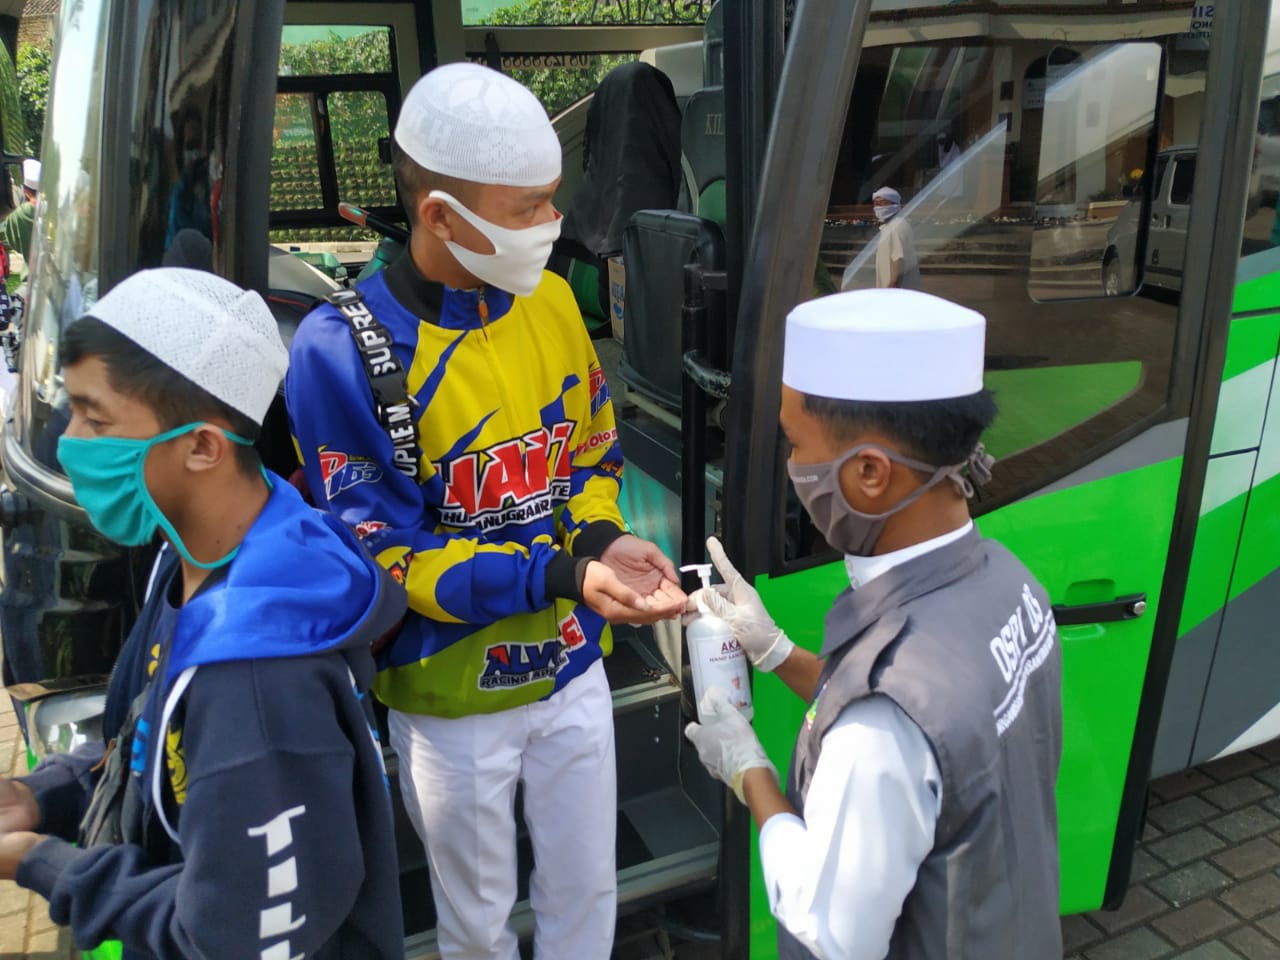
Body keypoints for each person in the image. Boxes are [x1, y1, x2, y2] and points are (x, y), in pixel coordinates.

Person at [286, 62, 685, 960]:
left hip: (575, 662)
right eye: (529, 206)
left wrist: (604, 539)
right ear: (440, 216)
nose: (554, 224)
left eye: (554, 199)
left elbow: (588, 450)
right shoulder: (340, 353)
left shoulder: (549, 301)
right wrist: (561, 572)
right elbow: (390, 556)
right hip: (450, 700)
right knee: (476, 921)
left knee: (588, 893)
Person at [0, 268, 408, 959]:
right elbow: (150, 738)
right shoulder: (197, 554)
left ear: (201, 446)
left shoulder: (253, 677)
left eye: (95, 419)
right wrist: (51, 795)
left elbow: (233, 935)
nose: (71, 443)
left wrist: (42, 862)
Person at [684, 288, 1063, 960]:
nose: (793, 466)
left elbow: (828, 929)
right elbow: (942, 746)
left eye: (796, 443)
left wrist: (751, 775)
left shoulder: (880, 727)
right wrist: (774, 652)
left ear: (867, 472)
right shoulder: (1010, 583)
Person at [872, 186, 922, 290]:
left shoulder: (896, 226)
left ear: (894, 204)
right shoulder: (891, 225)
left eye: (883, 203)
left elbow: (898, 258)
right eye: (876, 204)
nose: (878, 207)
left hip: (896, 286)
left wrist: (893, 283)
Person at [2, 157, 39, 268]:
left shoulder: (20, 213)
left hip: (32, 275)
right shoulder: (57, 210)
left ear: (26, 191)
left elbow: (12, 242)